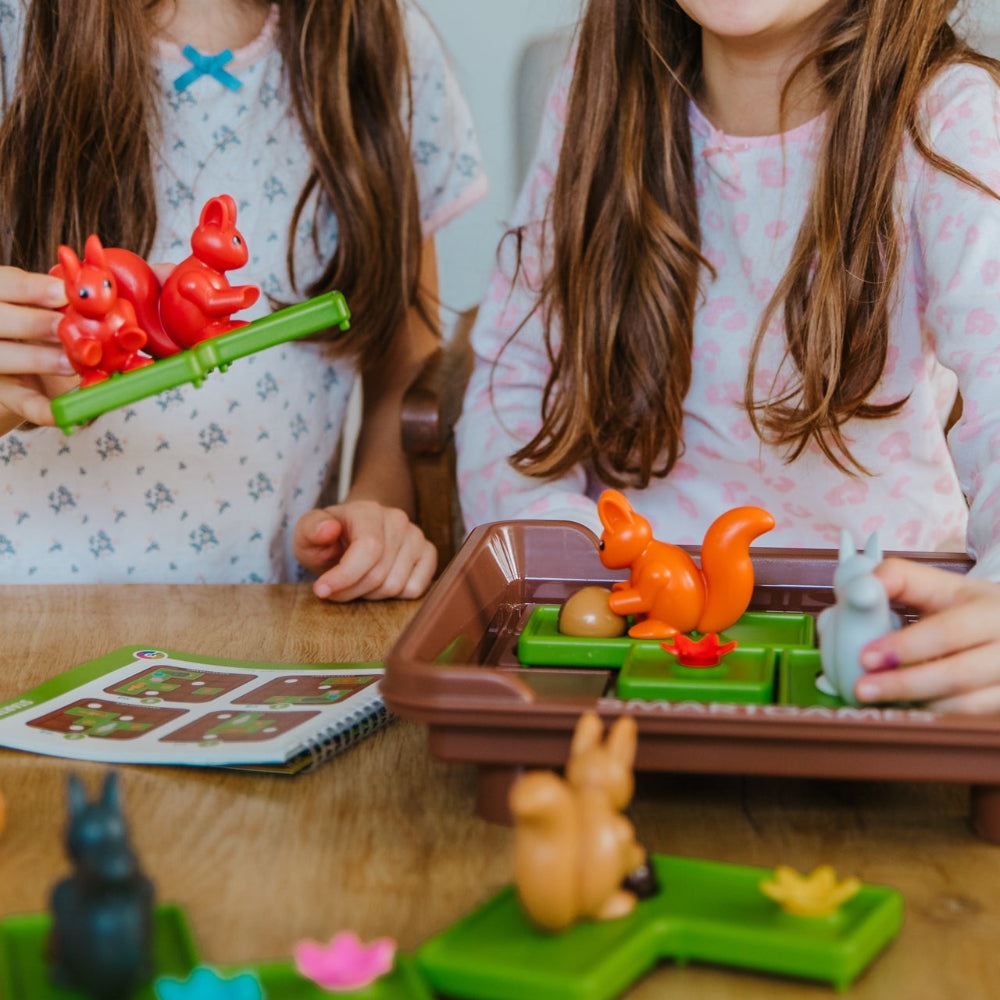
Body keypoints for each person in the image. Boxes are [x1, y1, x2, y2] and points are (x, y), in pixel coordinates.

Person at [455, 0, 1000, 713]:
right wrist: (573, 557)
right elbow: (513, 382)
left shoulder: (948, 117)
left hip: (881, 649)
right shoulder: (597, 92)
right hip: (630, 641)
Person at [0, 0, 486, 599]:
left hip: (262, 626)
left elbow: (404, 379)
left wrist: (370, 516)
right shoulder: (14, 30)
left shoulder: (383, 47)